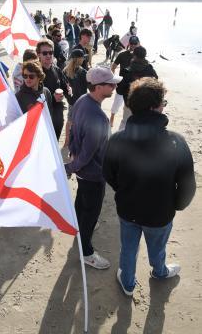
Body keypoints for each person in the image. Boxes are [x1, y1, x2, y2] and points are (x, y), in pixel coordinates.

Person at [103, 77, 196, 296]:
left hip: (128, 209)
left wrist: (125, 191)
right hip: (160, 213)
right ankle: (159, 272)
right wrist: (175, 205)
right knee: (157, 248)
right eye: (163, 102)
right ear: (155, 107)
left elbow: (109, 175)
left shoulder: (117, 140)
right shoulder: (176, 141)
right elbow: (187, 186)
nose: (164, 105)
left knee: (128, 248)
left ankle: (127, 282)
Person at [65, 67, 122, 269]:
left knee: (82, 202)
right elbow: (89, 154)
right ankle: (86, 252)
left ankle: (79, 228)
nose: (115, 87)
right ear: (98, 87)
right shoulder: (98, 117)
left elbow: (71, 126)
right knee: (90, 211)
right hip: (92, 174)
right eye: (111, 84)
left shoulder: (82, 100)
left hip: (83, 171)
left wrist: (72, 154)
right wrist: (71, 166)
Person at [115, 45, 158, 130]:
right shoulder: (149, 69)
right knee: (142, 125)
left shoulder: (127, 70)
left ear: (134, 55)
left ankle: (119, 141)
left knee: (125, 122)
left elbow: (120, 90)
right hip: (145, 104)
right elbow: (155, 84)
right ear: (145, 56)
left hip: (129, 102)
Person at [36, 39, 71, 140]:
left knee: (55, 141)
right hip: (44, 118)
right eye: (45, 53)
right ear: (38, 54)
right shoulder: (35, 74)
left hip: (58, 115)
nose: (48, 55)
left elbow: (64, 85)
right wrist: (52, 98)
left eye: (51, 52)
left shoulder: (56, 69)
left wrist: (68, 88)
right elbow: (32, 96)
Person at [109, 35, 140, 127]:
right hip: (122, 83)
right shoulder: (122, 54)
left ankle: (126, 123)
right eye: (132, 43)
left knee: (129, 107)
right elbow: (113, 67)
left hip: (134, 86)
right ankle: (112, 117)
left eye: (135, 43)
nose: (133, 45)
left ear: (138, 44)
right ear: (129, 44)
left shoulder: (140, 56)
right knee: (116, 103)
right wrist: (113, 80)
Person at [63, 49, 88, 146]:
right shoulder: (83, 72)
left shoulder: (65, 71)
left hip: (71, 101)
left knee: (69, 120)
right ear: (78, 59)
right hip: (82, 101)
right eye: (82, 57)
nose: (83, 59)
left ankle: (67, 140)